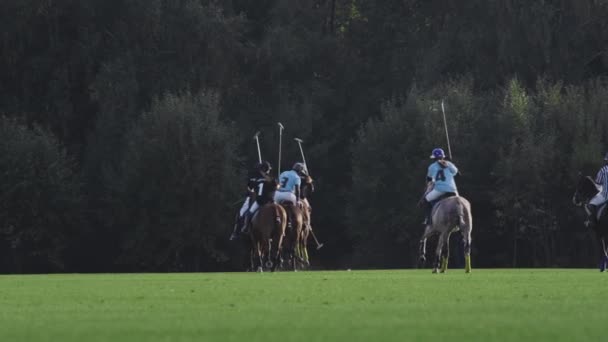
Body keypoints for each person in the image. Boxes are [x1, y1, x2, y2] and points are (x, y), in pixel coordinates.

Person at [230, 161, 274, 240]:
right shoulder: (263, 177)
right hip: (262, 200)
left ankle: (245, 227)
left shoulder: (260, 179)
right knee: (241, 214)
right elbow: (275, 185)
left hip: (259, 200)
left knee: (248, 213)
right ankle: (236, 232)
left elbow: (251, 188)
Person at [422, 148, 459, 225]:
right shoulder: (449, 163)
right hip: (453, 189)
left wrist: (430, 184)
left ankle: (429, 219)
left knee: (425, 200)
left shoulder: (431, 166)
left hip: (440, 189)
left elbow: (428, 179)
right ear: (443, 156)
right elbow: (455, 172)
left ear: (434, 158)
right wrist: (450, 163)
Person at [586, 152, 608, 227]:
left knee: (591, 204)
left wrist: (591, 179)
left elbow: (597, 184)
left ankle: (593, 223)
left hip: (605, 196)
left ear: (606, 161)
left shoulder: (602, 170)